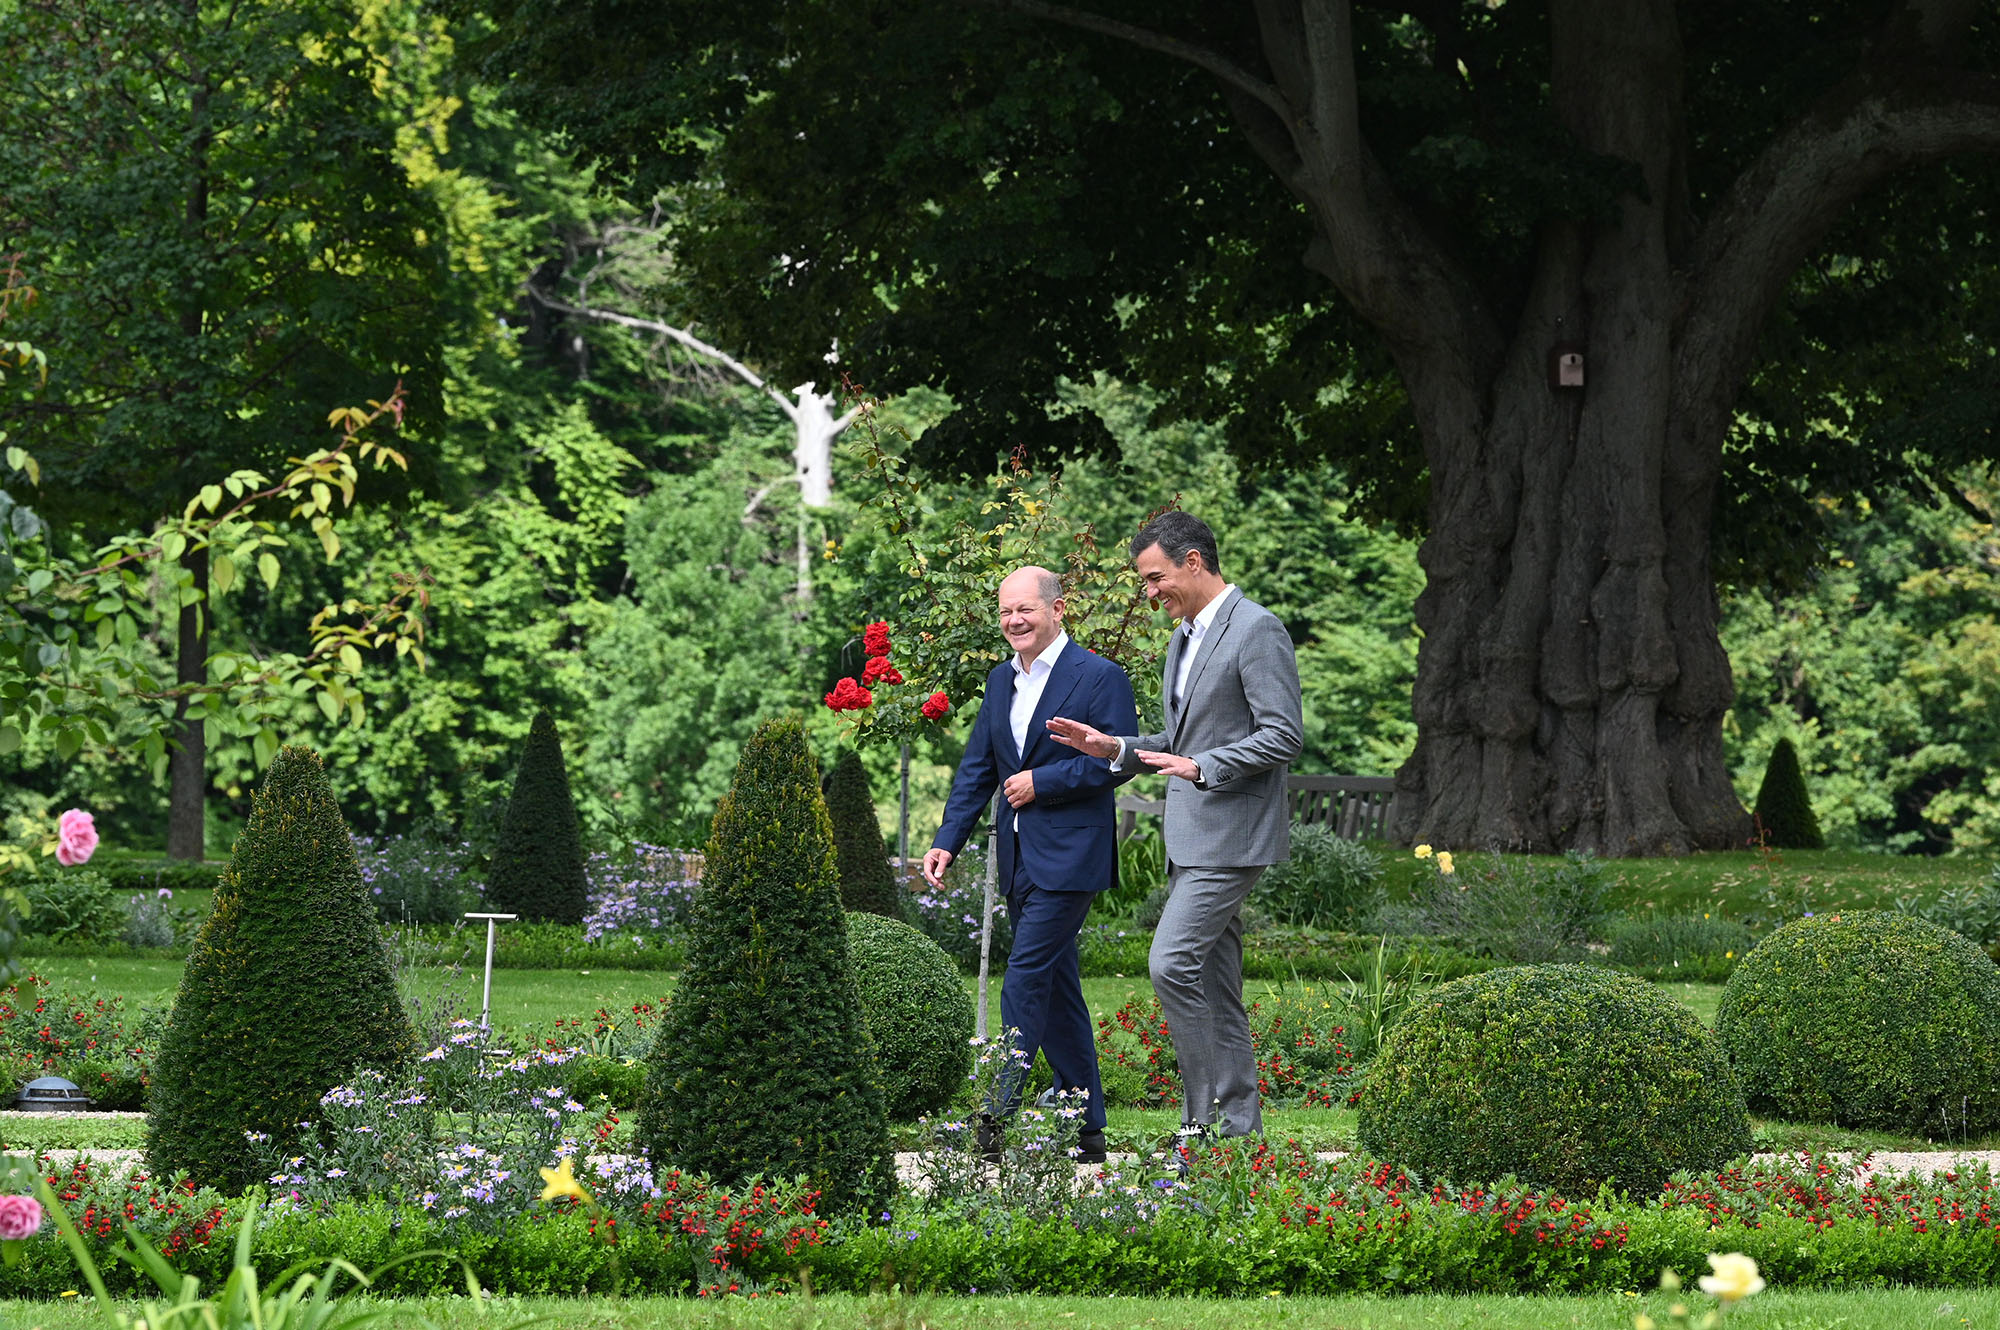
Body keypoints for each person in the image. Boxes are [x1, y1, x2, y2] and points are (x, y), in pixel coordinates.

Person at [1047, 512, 1302, 1152]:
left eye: (1155, 577)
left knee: (1170, 963)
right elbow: (1182, 740)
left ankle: (1199, 1121)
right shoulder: (1182, 640)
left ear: (1193, 561)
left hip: (1232, 834)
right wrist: (1114, 747)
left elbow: (1282, 735)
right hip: (1192, 837)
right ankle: (1239, 1135)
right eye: (1145, 581)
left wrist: (1204, 767)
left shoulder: (1257, 629)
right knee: (1215, 985)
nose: (1150, 592)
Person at [925, 565, 1138, 1165]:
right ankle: (1087, 1128)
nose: (1014, 620)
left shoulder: (1100, 676)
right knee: (1059, 990)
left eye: (1025, 609)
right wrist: (947, 840)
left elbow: (1120, 760)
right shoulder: (1000, 681)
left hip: (1071, 858)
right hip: (1019, 858)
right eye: (1005, 611)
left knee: (1023, 976)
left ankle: (994, 1118)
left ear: (1057, 609)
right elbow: (978, 768)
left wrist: (1043, 782)